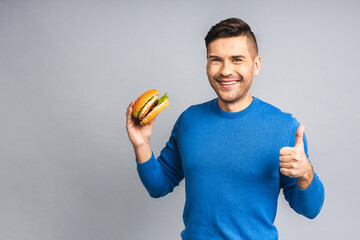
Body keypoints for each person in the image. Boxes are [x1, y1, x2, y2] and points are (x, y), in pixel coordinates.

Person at [126, 18, 325, 240]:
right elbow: (159, 186)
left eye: (237, 59)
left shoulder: (285, 128)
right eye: (216, 60)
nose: (225, 70)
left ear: (256, 65)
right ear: (207, 64)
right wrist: (141, 144)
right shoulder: (189, 120)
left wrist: (306, 172)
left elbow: (310, 210)